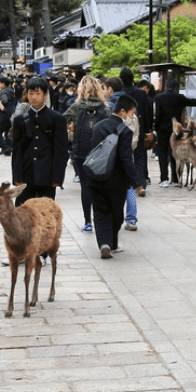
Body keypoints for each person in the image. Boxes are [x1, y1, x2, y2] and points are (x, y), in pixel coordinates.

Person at [88, 94, 144, 258]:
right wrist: (136, 181)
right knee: (116, 212)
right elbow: (126, 159)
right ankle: (112, 243)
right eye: (131, 113)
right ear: (122, 111)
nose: (131, 116)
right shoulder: (125, 131)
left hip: (96, 177)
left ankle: (104, 243)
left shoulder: (98, 126)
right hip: (117, 181)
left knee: (100, 212)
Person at [11, 76, 68, 207]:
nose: (34, 97)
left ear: (45, 95)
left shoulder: (57, 119)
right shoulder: (19, 120)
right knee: (22, 212)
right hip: (26, 173)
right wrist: (16, 175)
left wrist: (58, 177)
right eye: (31, 93)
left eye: (38, 93)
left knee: (45, 213)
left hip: (47, 174)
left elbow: (61, 150)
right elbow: (17, 149)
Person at [65, 76, 111, 233]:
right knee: (99, 187)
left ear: (81, 89)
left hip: (80, 153)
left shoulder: (77, 106)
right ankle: (101, 219)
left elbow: (61, 119)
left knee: (85, 187)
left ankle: (87, 222)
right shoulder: (105, 108)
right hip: (100, 153)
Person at [118, 67, 154, 191]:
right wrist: (147, 130)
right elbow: (146, 112)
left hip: (121, 129)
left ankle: (125, 183)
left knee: (123, 156)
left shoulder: (119, 93)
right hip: (138, 129)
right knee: (139, 157)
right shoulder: (141, 93)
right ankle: (140, 183)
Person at [153, 77, 191, 187]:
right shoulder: (180, 97)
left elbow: (158, 114)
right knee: (175, 154)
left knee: (163, 154)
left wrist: (155, 127)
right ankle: (175, 179)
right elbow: (191, 102)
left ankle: (164, 179)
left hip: (162, 130)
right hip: (176, 130)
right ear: (176, 88)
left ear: (166, 86)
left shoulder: (159, 97)